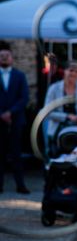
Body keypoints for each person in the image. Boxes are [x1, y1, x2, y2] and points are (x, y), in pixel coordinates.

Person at [44, 61, 77, 157]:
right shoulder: (53, 89)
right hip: (58, 129)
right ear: (65, 71)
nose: (73, 73)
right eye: (71, 70)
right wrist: (67, 116)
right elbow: (47, 112)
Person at [0, 43, 30, 194]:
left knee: (17, 154)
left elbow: (24, 98)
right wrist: (1, 114)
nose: (4, 58)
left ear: (12, 58)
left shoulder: (20, 76)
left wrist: (10, 112)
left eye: (7, 56)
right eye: (2, 56)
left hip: (16, 120)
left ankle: (21, 185)